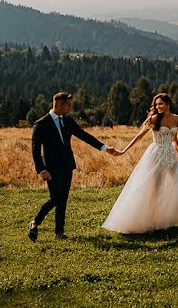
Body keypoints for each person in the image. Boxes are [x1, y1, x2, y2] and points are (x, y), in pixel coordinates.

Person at [29, 91, 119, 241]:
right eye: (67, 105)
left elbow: (84, 136)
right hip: (51, 168)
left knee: (63, 199)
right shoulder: (41, 123)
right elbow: (35, 149)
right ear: (58, 104)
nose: (70, 108)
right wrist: (42, 169)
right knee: (56, 198)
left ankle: (59, 233)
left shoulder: (68, 121)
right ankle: (35, 223)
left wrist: (105, 148)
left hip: (67, 166)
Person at [102, 92, 178, 233]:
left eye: (161, 104)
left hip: (171, 155)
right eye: (156, 104)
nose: (158, 106)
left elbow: (174, 138)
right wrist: (123, 151)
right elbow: (139, 136)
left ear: (168, 104)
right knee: (155, 189)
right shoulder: (153, 119)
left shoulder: (176, 118)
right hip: (156, 154)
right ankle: (150, 221)